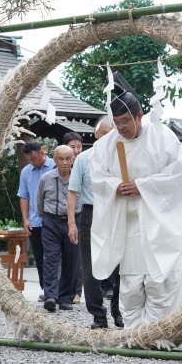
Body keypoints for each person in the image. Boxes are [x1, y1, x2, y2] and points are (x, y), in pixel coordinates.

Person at [89, 76, 182, 328]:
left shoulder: (162, 137)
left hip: (158, 221)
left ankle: (156, 333)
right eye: (116, 123)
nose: (120, 128)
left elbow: (181, 174)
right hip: (128, 223)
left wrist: (143, 186)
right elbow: (96, 175)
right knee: (130, 285)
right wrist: (114, 186)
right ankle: (132, 333)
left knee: (159, 282)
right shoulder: (108, 144)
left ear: (139, 116)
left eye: (125, 122)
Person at [67, 116, 124, 329]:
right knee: (90, 268)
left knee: (121, 267)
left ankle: (119, 311)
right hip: (90, 214)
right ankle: (98, 316)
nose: (108, 137)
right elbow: (72, 193)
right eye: (104, 133)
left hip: (116, 212)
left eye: (113, 134)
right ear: (95, 133)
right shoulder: (83, 159)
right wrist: (72, 223)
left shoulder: (121, 157)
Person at [37, 145, 81, 312]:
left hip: (74, 222)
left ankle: (65, 298)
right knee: (50, 259)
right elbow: (40, 202)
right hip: (51, 222)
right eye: (60, 159)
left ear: (72, 160)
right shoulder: (46, 178)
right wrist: (46, 219)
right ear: (54, 161)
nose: (64, 162)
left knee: (72, 260)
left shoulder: (79, 178)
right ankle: (50, 296)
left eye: (67, 159)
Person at [18, 142, 56, 297]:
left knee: (55, 257)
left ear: (42, 152)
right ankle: (47, 291)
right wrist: (26, 219)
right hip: (36, 221)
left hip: (55, 219)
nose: (32, 162)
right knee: (40, 258)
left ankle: (59, 290)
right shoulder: (26, 172)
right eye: (29, 160)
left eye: (34, 158)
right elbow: (24, 196)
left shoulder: (55, 165)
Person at [64, 131, 84, 304]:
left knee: (78, 256)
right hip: (61, 215)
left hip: (82, 213)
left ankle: (77, 292)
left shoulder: (86, 163)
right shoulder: (61, 166)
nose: (77, 151)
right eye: (73, 147)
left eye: (79, 147)